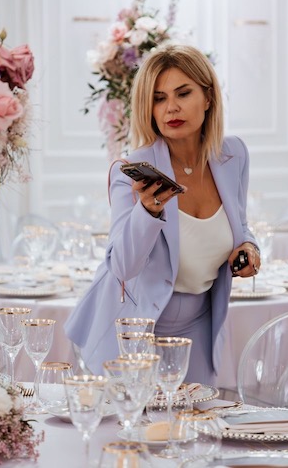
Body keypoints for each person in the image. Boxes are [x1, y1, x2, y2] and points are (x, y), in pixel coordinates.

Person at [64, 44, 260, 385]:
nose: (171, 107)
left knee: (198, 430)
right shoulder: (131, 171)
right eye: (158, 98)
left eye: (183, 93)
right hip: (133, 328)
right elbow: (123, 266)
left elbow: (239, 226)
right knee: (135, 434)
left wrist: (249, 248)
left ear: (208, 97)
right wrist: (148, 210)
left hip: (201, 325)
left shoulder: (234, 156)